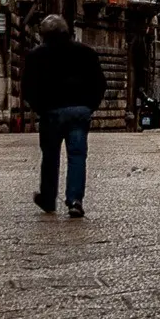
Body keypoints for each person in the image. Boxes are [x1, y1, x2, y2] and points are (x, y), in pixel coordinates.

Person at [23, 14, 106, 218]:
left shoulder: (36, 55)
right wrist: (89, 106)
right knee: (77, 156)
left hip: (51, 113)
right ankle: (75, 201)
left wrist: (39, 108)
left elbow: (28, 87)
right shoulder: (86, 53)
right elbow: (100, 83)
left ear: (44, 35)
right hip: (79, 111)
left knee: (50, 157)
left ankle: (49, 199)